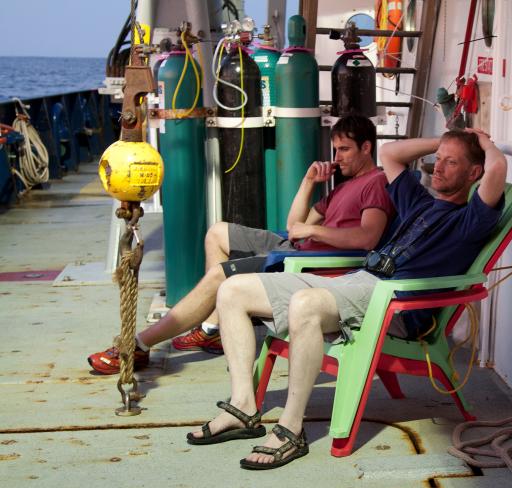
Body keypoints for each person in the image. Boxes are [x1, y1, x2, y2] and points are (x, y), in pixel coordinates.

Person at [185, 128, 508, 470]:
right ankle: (244, 407)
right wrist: (445, 141)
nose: (438, 167)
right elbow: (392, 153)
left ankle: (291, 430)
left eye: (451, 162)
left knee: (305, 305)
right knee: (232, 290)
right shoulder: (421, 202)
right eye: (438, 158)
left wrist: (483, 141)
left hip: (392, 304)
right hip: (360, 283)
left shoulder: (470, 220)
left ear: (474, 173)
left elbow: (498, 169)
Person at [87, 115, 395, 374]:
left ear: (367, 148)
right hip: (296, 245)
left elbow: (367, 237)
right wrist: (308, 182)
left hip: (312, 263)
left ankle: (139, 345)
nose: (337, 157)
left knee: (222, 275)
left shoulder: (375, 184)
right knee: (218, 232)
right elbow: (293, 225)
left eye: (344, 150)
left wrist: (314, 232)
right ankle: (211, 329)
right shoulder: (344, 186)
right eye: (335, 149)